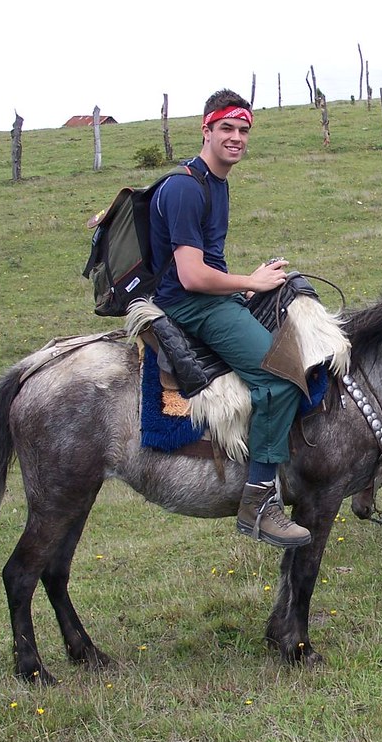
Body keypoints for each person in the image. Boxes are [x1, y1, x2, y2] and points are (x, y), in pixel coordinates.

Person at [148, 88, 311, 548]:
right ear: (206, 128)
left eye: (243, 130)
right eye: (227, 128)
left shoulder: (216, 183)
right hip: (191, 304)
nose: (237, 138)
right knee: (280, 378)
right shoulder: (184, 187)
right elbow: (192, 275)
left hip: (211, 298)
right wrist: (250, 282)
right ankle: (258, 500)